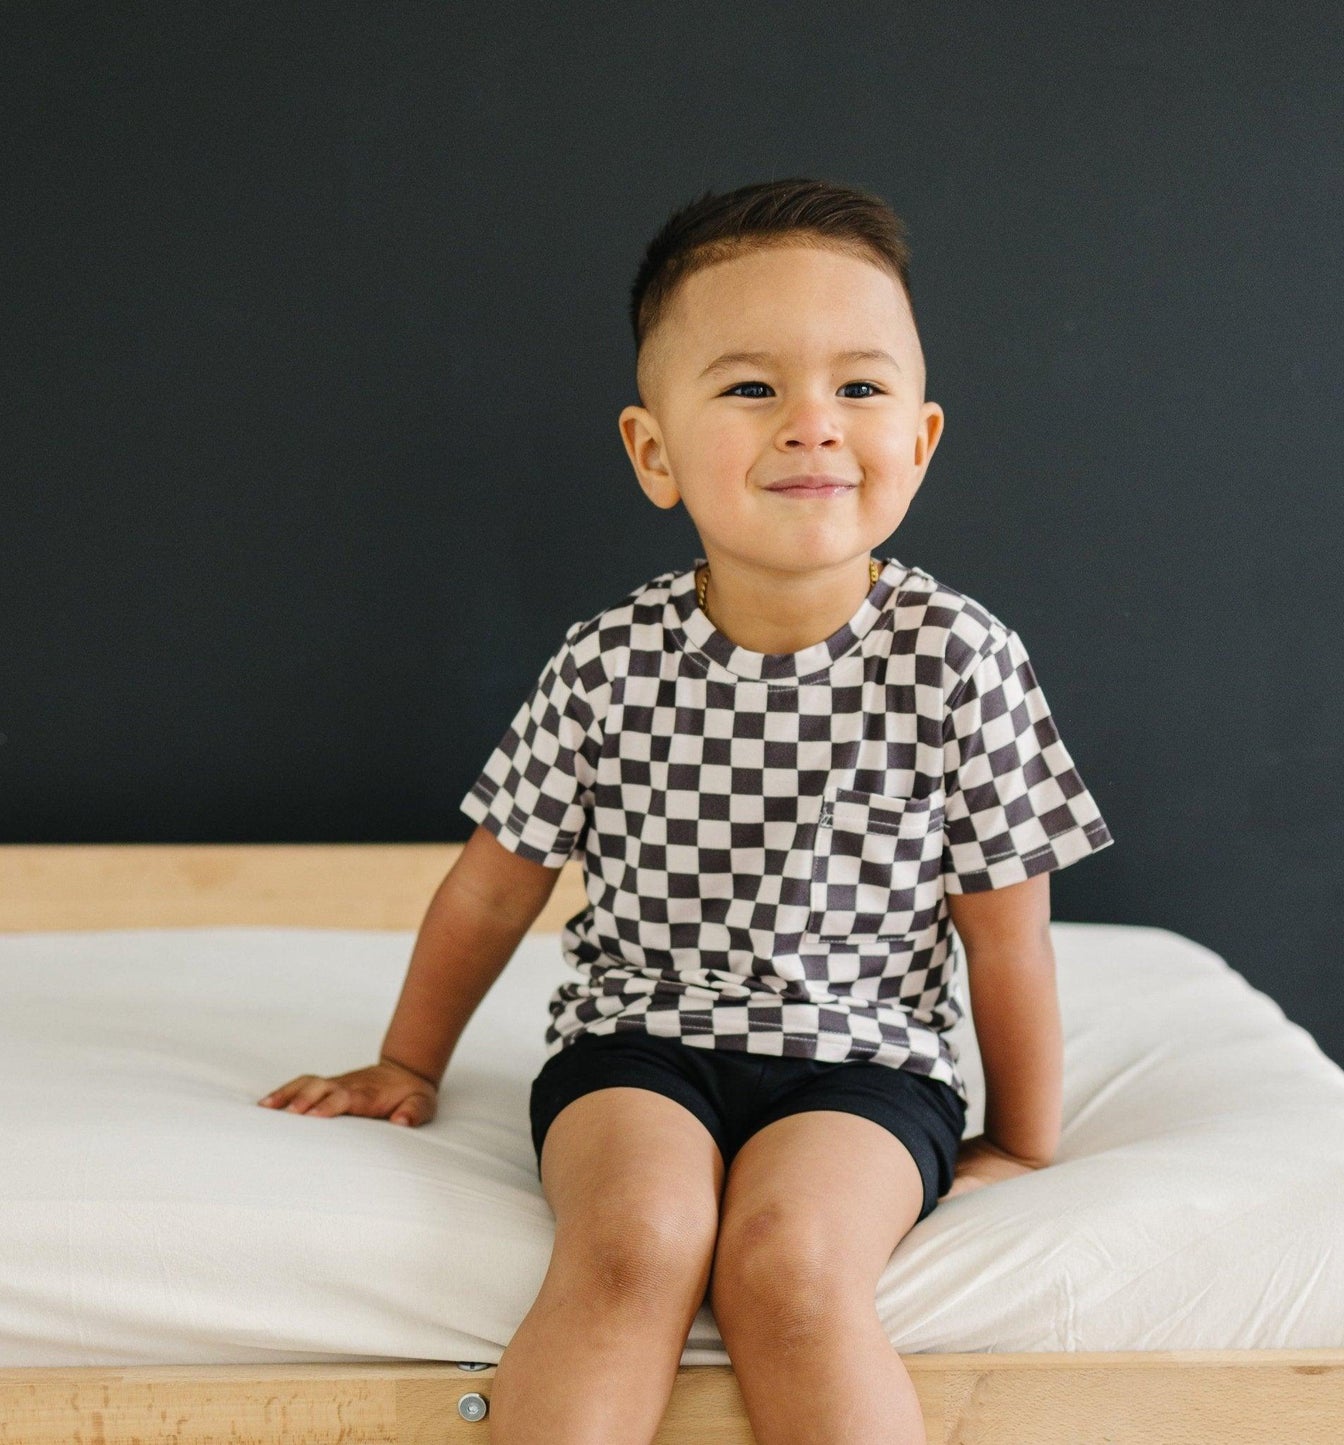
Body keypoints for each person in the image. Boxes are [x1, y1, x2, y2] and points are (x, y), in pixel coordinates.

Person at [257, 176, 1114, 1445]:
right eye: (752, 387)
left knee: (789, 1261)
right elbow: (495, 883)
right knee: (634, 1242)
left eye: (859, 388)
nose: (813, 425)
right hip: (636, 1044)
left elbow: (1004, 932)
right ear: (654, 451)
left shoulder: (960, 658)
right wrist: (407, 1062)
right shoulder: (609, 659)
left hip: (866, 1063)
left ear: (921, 440)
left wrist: (1023, 1142)